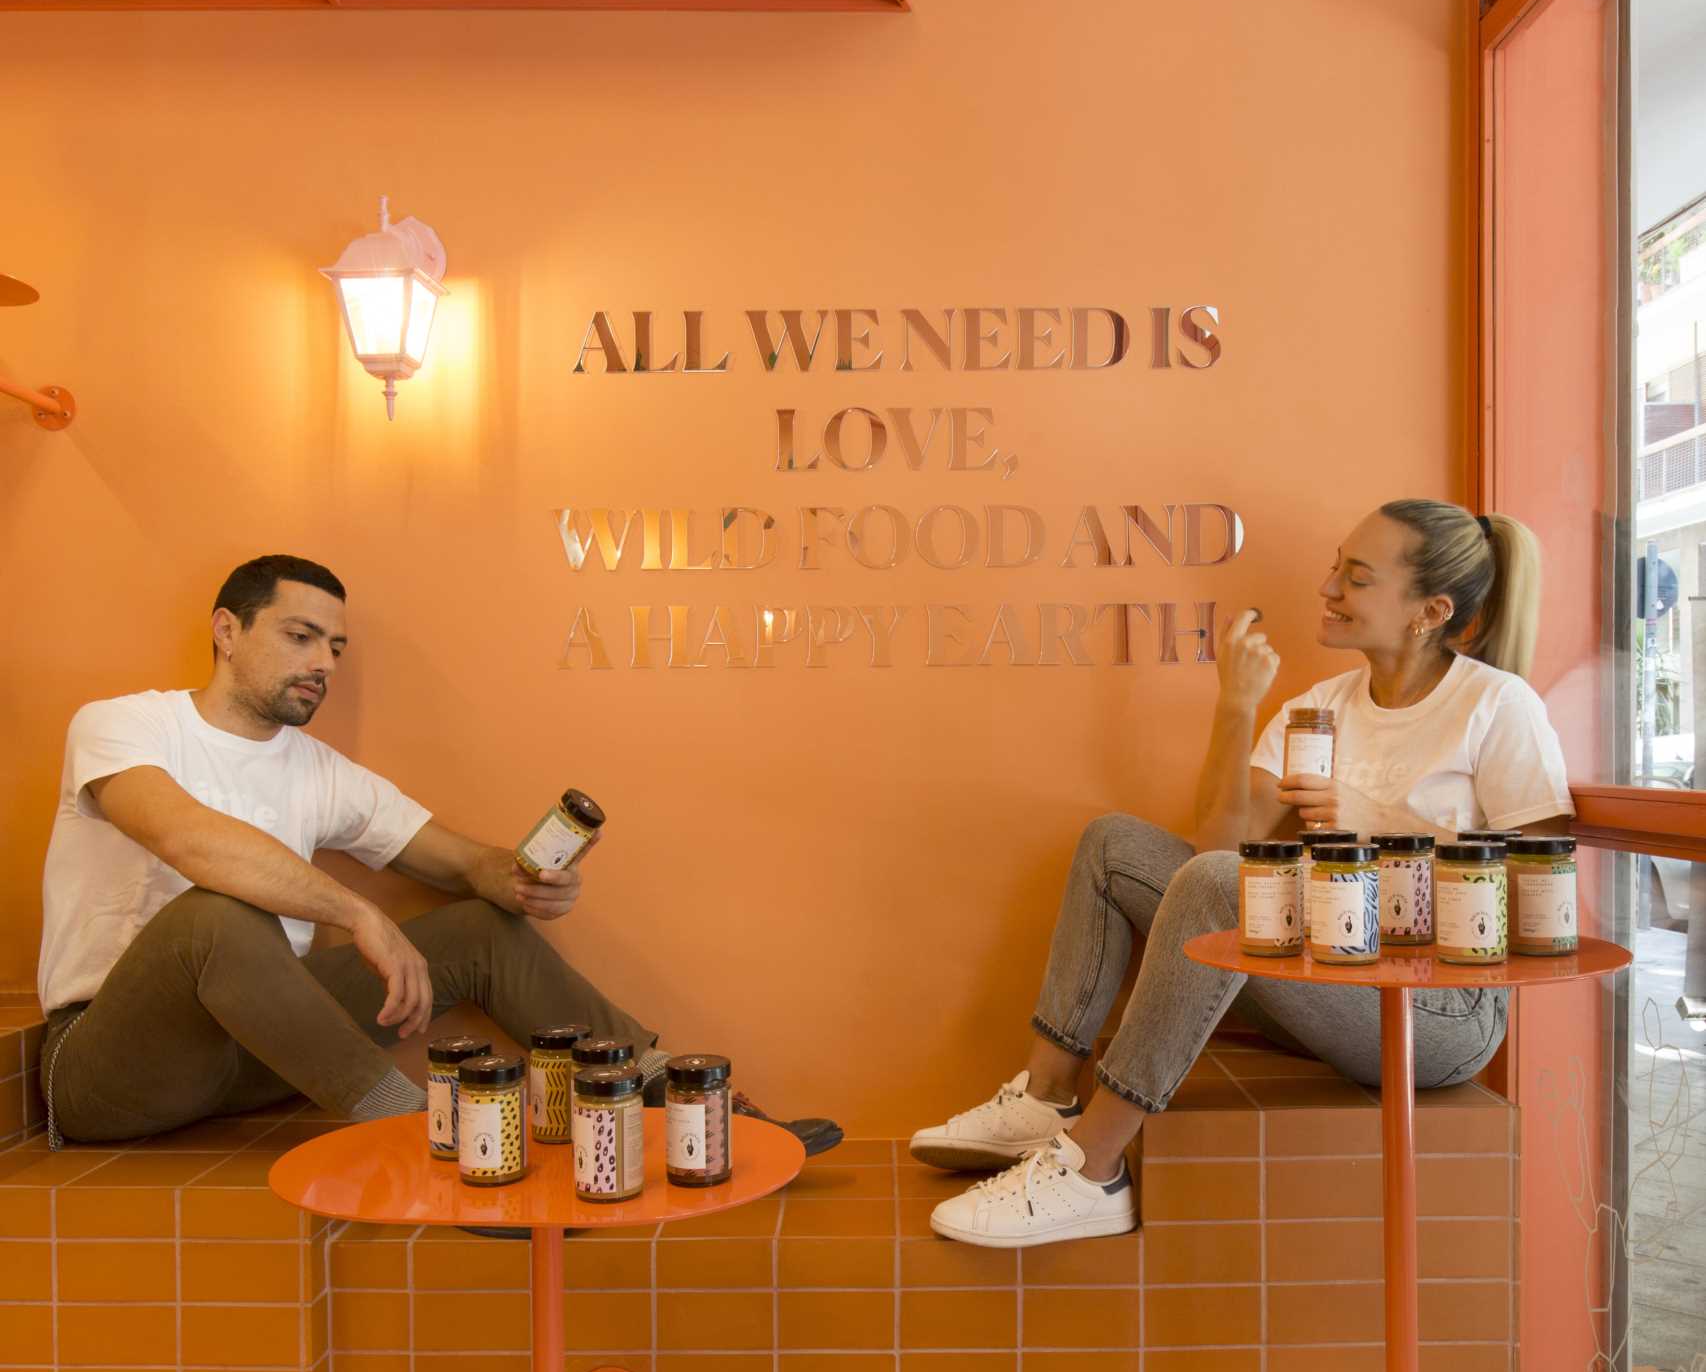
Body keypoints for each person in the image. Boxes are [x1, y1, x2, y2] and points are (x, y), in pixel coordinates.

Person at [910, 500, 1572, 1248]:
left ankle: (1092, 1170)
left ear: (1430, 610)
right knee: (1113, 844)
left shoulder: (1496, 706)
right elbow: (1217, 852)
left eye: (1355, 577)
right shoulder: (1322, 707)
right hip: (1331, 978)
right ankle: (1045, 1095)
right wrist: (1237, 703)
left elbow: (1536, 889)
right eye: (1335, 567)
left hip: (1439, 1015)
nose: (1327, 589)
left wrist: (1373, 814)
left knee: (1219, 884)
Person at [38, 554, 840, 1156]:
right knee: (216, 914)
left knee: (479, 929)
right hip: (113, 1065)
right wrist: (359, 915)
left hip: (262, 1052)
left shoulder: (318, 771)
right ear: (227, 630)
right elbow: (185, 838)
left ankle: (689, 1106)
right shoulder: (124, 725)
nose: (324, 663)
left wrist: (520, 879)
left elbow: (459, 862)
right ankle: (422, 1137)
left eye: (337, 648)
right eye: (301, 636)